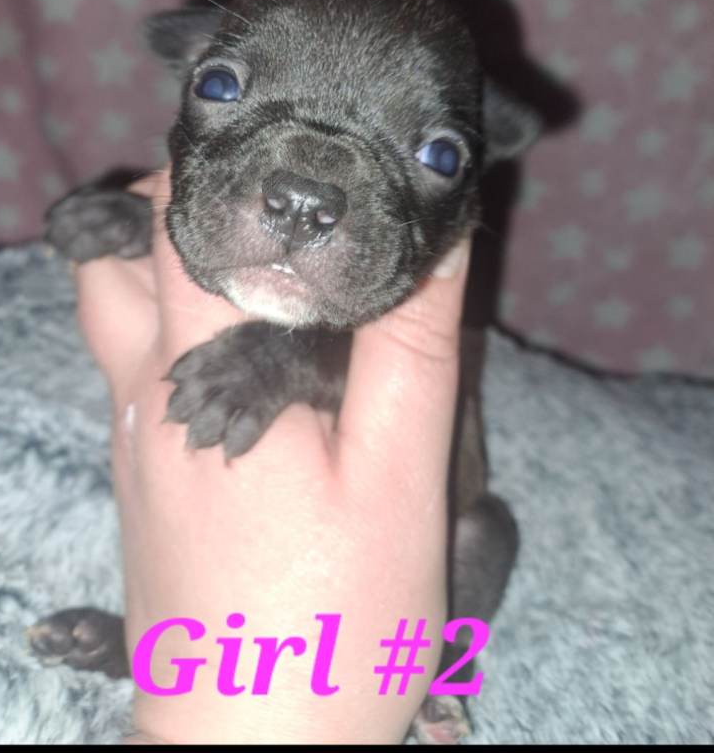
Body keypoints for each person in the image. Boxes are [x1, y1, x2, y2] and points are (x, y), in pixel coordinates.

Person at [74, 168, 470, 745]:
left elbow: (360, 372)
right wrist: (130, 220)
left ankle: (435, 668)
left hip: (435, 532)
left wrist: (272, 361)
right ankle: (168, 652)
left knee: (485, 535)